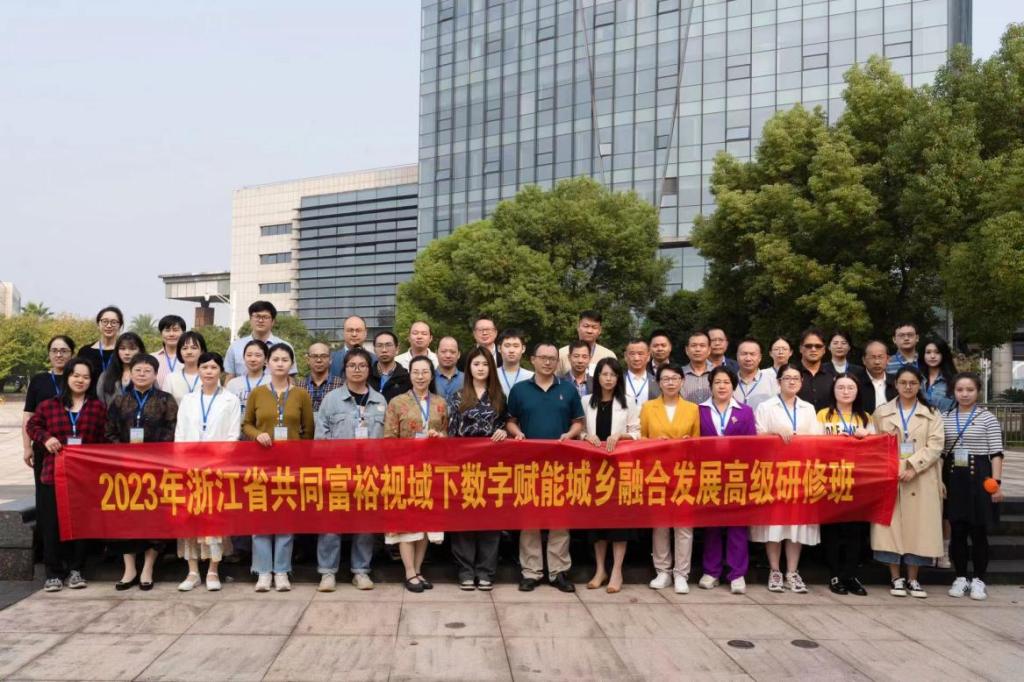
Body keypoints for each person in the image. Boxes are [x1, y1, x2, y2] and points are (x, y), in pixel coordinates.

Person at [506, 342, 585, 593]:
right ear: (533, 359)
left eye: (552, 358)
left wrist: (569, 434)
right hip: (528, 464)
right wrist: (517, 433)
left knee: (559, 519)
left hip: (561, 465)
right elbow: (510, 421)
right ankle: (531, 572)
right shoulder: (520, 389)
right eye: (543, 357)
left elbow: (578, 422)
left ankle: (558, 571)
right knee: (530, 518)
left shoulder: (568, 389)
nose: (548, 362)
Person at [26, 358, 106, 591]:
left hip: (84, 476)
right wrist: (46, 438)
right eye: (76, 375)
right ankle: (53, 572)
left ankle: (76, 569)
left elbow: (103, 438)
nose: (80, 380)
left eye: (86, 377)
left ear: (91, 381)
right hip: (53, 473)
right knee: (52, 524)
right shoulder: (49, 405)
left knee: (80, 523)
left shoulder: (97, 407)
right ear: (68, 377)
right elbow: (32, 426)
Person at [242, 343, 315, 592]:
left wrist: (299, 456)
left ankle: (282, 570)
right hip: (262, 463)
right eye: (275, 359)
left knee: (285, 516)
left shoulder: (301, 394)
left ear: (291, 364)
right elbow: (246, 424)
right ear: (267, 363)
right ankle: (263, 571)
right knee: (261, 515)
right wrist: (258, 434)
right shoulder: (257, 393)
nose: (280, 363)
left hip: (290, 466)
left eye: (285, 359)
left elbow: (308, 431)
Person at [315, 348, 386, 592]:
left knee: (364, 523)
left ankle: (361, 570)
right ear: (344, 369)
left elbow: (387, 440)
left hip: (369, 472)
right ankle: (327, 572)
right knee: (331, 523)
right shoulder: (331, 399)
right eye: (352, 365)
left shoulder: (379, 401)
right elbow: (321, 436)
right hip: (338, 470)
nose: (357, 370)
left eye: (362, 365)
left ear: (369, 370)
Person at [871, 365, 944, 599]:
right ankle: (896, 577)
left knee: (919, 528)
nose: (908, 387)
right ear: (896, 384)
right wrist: (891, 467)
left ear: (919, 385)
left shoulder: (931, 413)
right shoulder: (882, 412)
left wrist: (913, 466)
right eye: (903, 382)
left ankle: (913, 578)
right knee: (890, 528)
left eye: (913, 383)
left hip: (921, 476)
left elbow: (936, 446)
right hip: (890, 476)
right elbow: (876, 444)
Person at [105, 354, 178, 590]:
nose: (142, 374)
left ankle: (148, 567)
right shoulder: (119, 400)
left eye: (148, 370)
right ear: (130, 373)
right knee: (126, 516)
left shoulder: (166, 400)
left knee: (154, 517)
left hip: (155, 468)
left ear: (155, 374)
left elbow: (172, 431)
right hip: (125, 469)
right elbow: (109, 432)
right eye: (138, 370)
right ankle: (129, 569)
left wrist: (151, 455)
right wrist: (126, 453)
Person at [752, 364, 824, 593]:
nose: (791, 382)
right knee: (774, 524)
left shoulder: (808, 408)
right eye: (787, 378)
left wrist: (801, 438)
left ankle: (792, 571)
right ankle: (775, 570)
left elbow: (817, 440)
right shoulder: (765, 407)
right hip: (773, 473)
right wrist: (774, 435)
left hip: (800, 473)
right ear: (778, 382)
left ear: (801, 382)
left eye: (796, 378)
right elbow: (756, 436)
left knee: (796, 524)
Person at [173, 352, 240, 592]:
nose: (209, 371)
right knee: (190, 518)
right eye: (204, 367)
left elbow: (233, 435)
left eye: (213, 367)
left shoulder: (231, 400)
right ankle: (192, 572)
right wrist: (184, 462)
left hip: (217, 469)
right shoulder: (189, 400)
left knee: (214, 520)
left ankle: (213, 570)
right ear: (198, 370)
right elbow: (180, 433)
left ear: (220, 371)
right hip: (190, 469)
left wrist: (216, 460)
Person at [383, 355, 448, 593]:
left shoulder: (440, 402)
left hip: (430, 472)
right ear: (409, 375)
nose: (420, 376)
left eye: (425, 372)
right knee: (406, 525)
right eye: (416, 372)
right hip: (404, 470)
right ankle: (409, 572)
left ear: (431, 375)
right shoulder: (397, 402)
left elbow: (447, 435)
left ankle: (418, 570)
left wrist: (440, 437)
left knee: (424, 525)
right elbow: (389, 439)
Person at [447, 347, 508, 591]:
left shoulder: (499, 396)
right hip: (464, 467)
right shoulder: (458, 396)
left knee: (490, 521)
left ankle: (486, 571)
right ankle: (465, 570)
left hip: (492, 468)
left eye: (485, 364)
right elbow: (451, 433)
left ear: (491, 368)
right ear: (468, 368)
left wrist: (503, 432)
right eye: (476, 364)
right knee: (464, 520)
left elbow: (505, 424)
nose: (480, 368)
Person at [580, 358, 639, 594]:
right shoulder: (586, 401)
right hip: (595, 468)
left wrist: (621, 436)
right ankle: (600, 570)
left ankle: (617, 571)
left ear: (618, 378)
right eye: (604, 374)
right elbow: (580, 430)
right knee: (597, 521)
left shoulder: (628, 401)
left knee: (619, 522)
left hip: (620, 468)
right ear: (597, 377)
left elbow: (637, 432)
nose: (608, 379)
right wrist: (586, 436)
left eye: (613, 375)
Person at [641, 363, 701, 594]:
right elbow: (641, 439)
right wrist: (654, 443)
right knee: (660, 525)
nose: (670, 382)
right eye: (665, 379)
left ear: (682, 381)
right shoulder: (648, 407)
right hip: (657, 472)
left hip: (684, 472)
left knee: (684, 526)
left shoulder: (692, 409)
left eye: (675, 378)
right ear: (658, 382)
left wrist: (688, 442)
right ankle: (662, 571)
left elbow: (698, 441)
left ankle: (681, 573)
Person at [943, 373, 1004, 601]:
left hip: (980, 476)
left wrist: (996, 484)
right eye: (960, 390)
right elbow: (941, 452)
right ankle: (960, 577)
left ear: (978, 391)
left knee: (979, 531)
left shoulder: (987, 418)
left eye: (970, 389)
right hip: (954, 477)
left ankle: (979, 579)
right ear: (953, 392)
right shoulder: (945, 417)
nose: (965, 394)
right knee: (957, 530)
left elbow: (996, 453)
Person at [697, 366, 755, 595]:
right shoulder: (698, 410)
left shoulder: (745, 412)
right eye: (717, 382)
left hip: (736, 475)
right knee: (711, 524)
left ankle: (737, 573)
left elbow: (752, 446)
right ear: (710, 386)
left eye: (726, 382)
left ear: (734, 386)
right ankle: (711, 571)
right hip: (708, 474)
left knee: (737, 524)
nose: (722, 386)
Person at [816, 374, 875, 596]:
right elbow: (812, 444)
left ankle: (850, 575)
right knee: (832, 529)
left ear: (858, 391)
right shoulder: (823, 415)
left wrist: (867, 437)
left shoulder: (866, 417)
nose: (846, 391)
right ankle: (834, 574)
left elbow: (876, 449)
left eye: (851, 387)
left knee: (854, 530)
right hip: (830, 478)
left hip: (857, 479)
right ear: (833, 391)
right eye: (841, 387)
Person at [22, 336, 76, 495]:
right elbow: (28, 416)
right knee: (45, 495)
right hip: (44, 446)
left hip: (73, 448)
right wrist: (27, 447)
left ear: (72, 354)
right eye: (54, 351)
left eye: (64, 351)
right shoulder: (38, 380)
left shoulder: (79, 379)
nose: (59, 355)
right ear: (49, 354)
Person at [224, 301, 296, 381]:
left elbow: (290, 379)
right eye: (257, 316)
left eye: (265, 317)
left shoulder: (285, 347)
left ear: (273, 321)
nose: (261, 320)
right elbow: (229, 377)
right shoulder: (235, 347)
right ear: (250, 319)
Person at [557, 310, 616, 376]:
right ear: (578, 327)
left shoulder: (608, 356)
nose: (589, 331)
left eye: (594, 327)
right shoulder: (562, 354)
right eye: (586, 326)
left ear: (600, 330)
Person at [96, 333, 146, 406]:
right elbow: (101, 402)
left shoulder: (148, 374)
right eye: (122, 349)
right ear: (117, 351)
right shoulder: (105, 376)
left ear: (140, 351)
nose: (127, 353)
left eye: (132, 349)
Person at [224, 339, 269, 420]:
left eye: (258, 355)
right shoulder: (233, 384)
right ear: (244, 358)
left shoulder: (273, 382)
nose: (253, 359)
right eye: (249, 355)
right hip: (238, 427)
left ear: (266, 359)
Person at [733, 338, 779, 410]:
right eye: (744, 354)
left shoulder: (773, 381)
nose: (748, 358)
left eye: (752, 354)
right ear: (737, 356)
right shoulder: (729, 381)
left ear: (760, 357)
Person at [162, 331, 207, 402]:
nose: (189, 352)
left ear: (202, 351)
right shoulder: (171, 379)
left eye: (194, 348)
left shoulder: (210, 376)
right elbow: (164, 405)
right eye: (185, 348)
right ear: (179, 352)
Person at [78, 305, 123, 377]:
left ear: (120, 326)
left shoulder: (124, 352)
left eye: (114, 322)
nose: (109, 325)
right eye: (105, 321)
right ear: (98, 324)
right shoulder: (85, 352)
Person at [796, 328, 833, 411]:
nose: (813, 349)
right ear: (800, 349)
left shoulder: (833, 376)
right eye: (808, 346)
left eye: (818, 346)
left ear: (824, 350)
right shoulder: (790, 375)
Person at [303, 341, 345, 414]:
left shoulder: (341, 386)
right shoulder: (299, 386)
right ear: (308, 360)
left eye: (323, 356)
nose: (319, 360)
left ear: (330, 360)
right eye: (314, 356)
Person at [371, 330, 412, 402]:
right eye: (379, 345)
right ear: (374, 349)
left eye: (388, 345)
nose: (384, 350)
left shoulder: (407, 378)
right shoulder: (366, 376)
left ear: (397, 349)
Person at [919, 336, 956, 413]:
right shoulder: (917, 377)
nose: (932, 356)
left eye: (937, 352)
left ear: (944, 354)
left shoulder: (954, 380)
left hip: (945, 420)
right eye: (928, 352)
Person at [623, 338, 660, 408]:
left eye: (640, 354)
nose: (636, 358)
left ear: (648, 356)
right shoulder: (617, 381)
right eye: (632, 354)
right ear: (625, 356)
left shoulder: (657, 382)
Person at [497, 328, 533, 396]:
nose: (511, 350)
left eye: (516, 346)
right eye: (507, 346)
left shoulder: (531, 377)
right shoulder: (491, 375)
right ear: (499, 348)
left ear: (523, 349)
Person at [863, 340, 897, 411]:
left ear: (888, 359)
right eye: (872, 357)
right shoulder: (855, 383)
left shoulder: (896, 382)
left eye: (880, 357)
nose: (877, 362)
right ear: (864, 360)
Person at [153, 314, 186, 387]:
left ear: (183, 333)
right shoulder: (152, 358)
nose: (171, 334)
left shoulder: (191, 358)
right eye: (167, 330)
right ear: (161, 334)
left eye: (175, 330)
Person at [681, 330, 713, 404]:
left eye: (702, 346)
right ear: (687, 350)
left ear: (709, 350)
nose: (698, 349)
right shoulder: (678, 375)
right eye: (693, 345)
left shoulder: (718, 373)